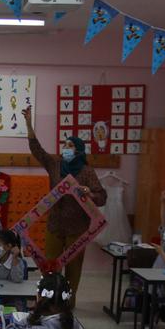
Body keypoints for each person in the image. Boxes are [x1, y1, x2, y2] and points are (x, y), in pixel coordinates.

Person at [22, 105, 107, 295]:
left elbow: (102, 197)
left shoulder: (87, 172)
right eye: (64, 145)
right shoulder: (55, 164)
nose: (65, 148)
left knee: (73, 268)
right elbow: (37, 150)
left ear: (78, 150)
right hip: (55, 224)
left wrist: (89, 193)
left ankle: (68, 303)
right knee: (50, 265)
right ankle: (49, 298)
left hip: (77, 228)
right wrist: (28, 124)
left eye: (69, 146)